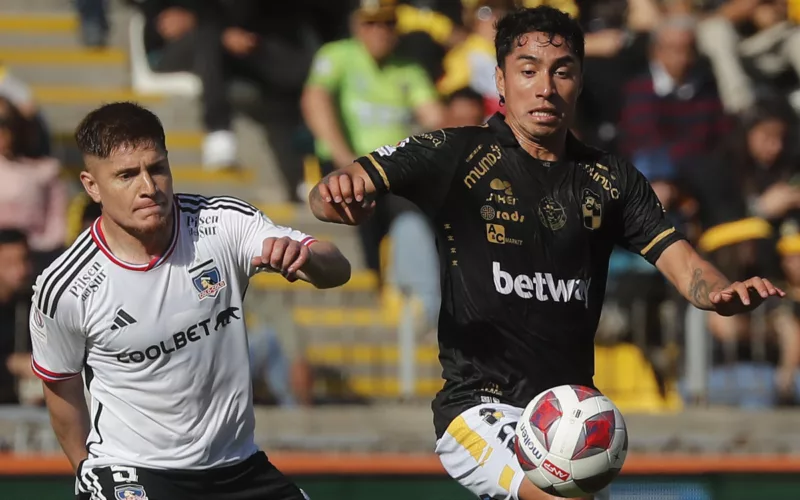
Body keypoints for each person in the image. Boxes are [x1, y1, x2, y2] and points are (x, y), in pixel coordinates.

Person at [308, 6, 784, 500]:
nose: (545, 87)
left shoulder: (612, 180)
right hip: (480, 405)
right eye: (528, 70)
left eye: (562, 71)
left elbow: (680, 260)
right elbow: (332, 191)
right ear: (501, 78)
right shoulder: (457, 154)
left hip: (570, 411)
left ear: (579, 79)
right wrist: (338, 193)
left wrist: (717, 291)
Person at [29, 102, 351, 500]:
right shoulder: (66, 287)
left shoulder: (221, 223)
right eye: (126, 175)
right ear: (92, 186)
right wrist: (88, 472)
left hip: (238, 468)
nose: (148, 187)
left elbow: (338, 267)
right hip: (133, 471)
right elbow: (60, 388)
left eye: (157, 168)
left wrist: (307, 258)